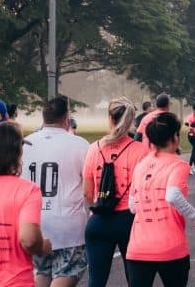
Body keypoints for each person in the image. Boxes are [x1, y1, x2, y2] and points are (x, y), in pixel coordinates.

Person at [127, 112, 195, 287]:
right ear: (174, 137)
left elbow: (132, 205)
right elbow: (172, 195)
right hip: (170, 247)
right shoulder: (178, 165)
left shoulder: (141, 166)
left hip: (138, 247)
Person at [21, 96, 90, 287]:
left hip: (34, 221)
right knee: (67, 271)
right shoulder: (80, 145)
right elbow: (89, 186)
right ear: (66, 118)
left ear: (43, 117)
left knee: (41, 271)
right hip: (68, 224)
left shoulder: (26, 144)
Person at [82, 97, 148, 287]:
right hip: (129, 221)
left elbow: (87, 193)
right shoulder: (140, 150)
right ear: (131, 120)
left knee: (96, 281)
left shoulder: (94, 149)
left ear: (110, 118)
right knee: (136, 280)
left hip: (99, 219)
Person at [0, 122, 53, 286]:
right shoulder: (28, 190)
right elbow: (29, 239)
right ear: (17, 152)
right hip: (15, 281)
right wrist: (42, 247)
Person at [185, 103, 195, 174]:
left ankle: (194, 166)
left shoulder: (189, 116)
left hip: (190, 135)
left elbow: (186, 123)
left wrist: (190, 126)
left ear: (193, 108)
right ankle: (190, 166)